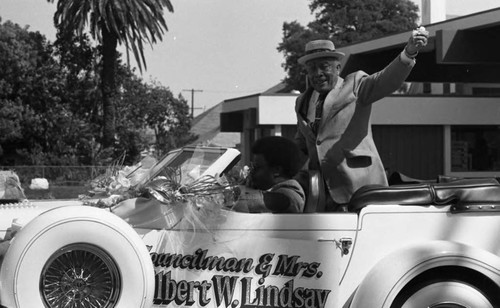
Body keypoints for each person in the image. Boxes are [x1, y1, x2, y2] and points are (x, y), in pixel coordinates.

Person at [294, 27, 429, 211]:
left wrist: (409, 52)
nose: (317, 73)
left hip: (359, 192)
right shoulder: (302, 101)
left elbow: (386, 80)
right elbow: (301, 145)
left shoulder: (356, 85)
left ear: (338, 68)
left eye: (324, 67)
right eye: (311, 69)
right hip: (320, 197)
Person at [231, 136, 305, 213]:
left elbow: (251, 202)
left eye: (256, 167)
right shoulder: (273, 190)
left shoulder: (290, 195)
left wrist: (226, 196)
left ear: (276, 171)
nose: (251, 171)